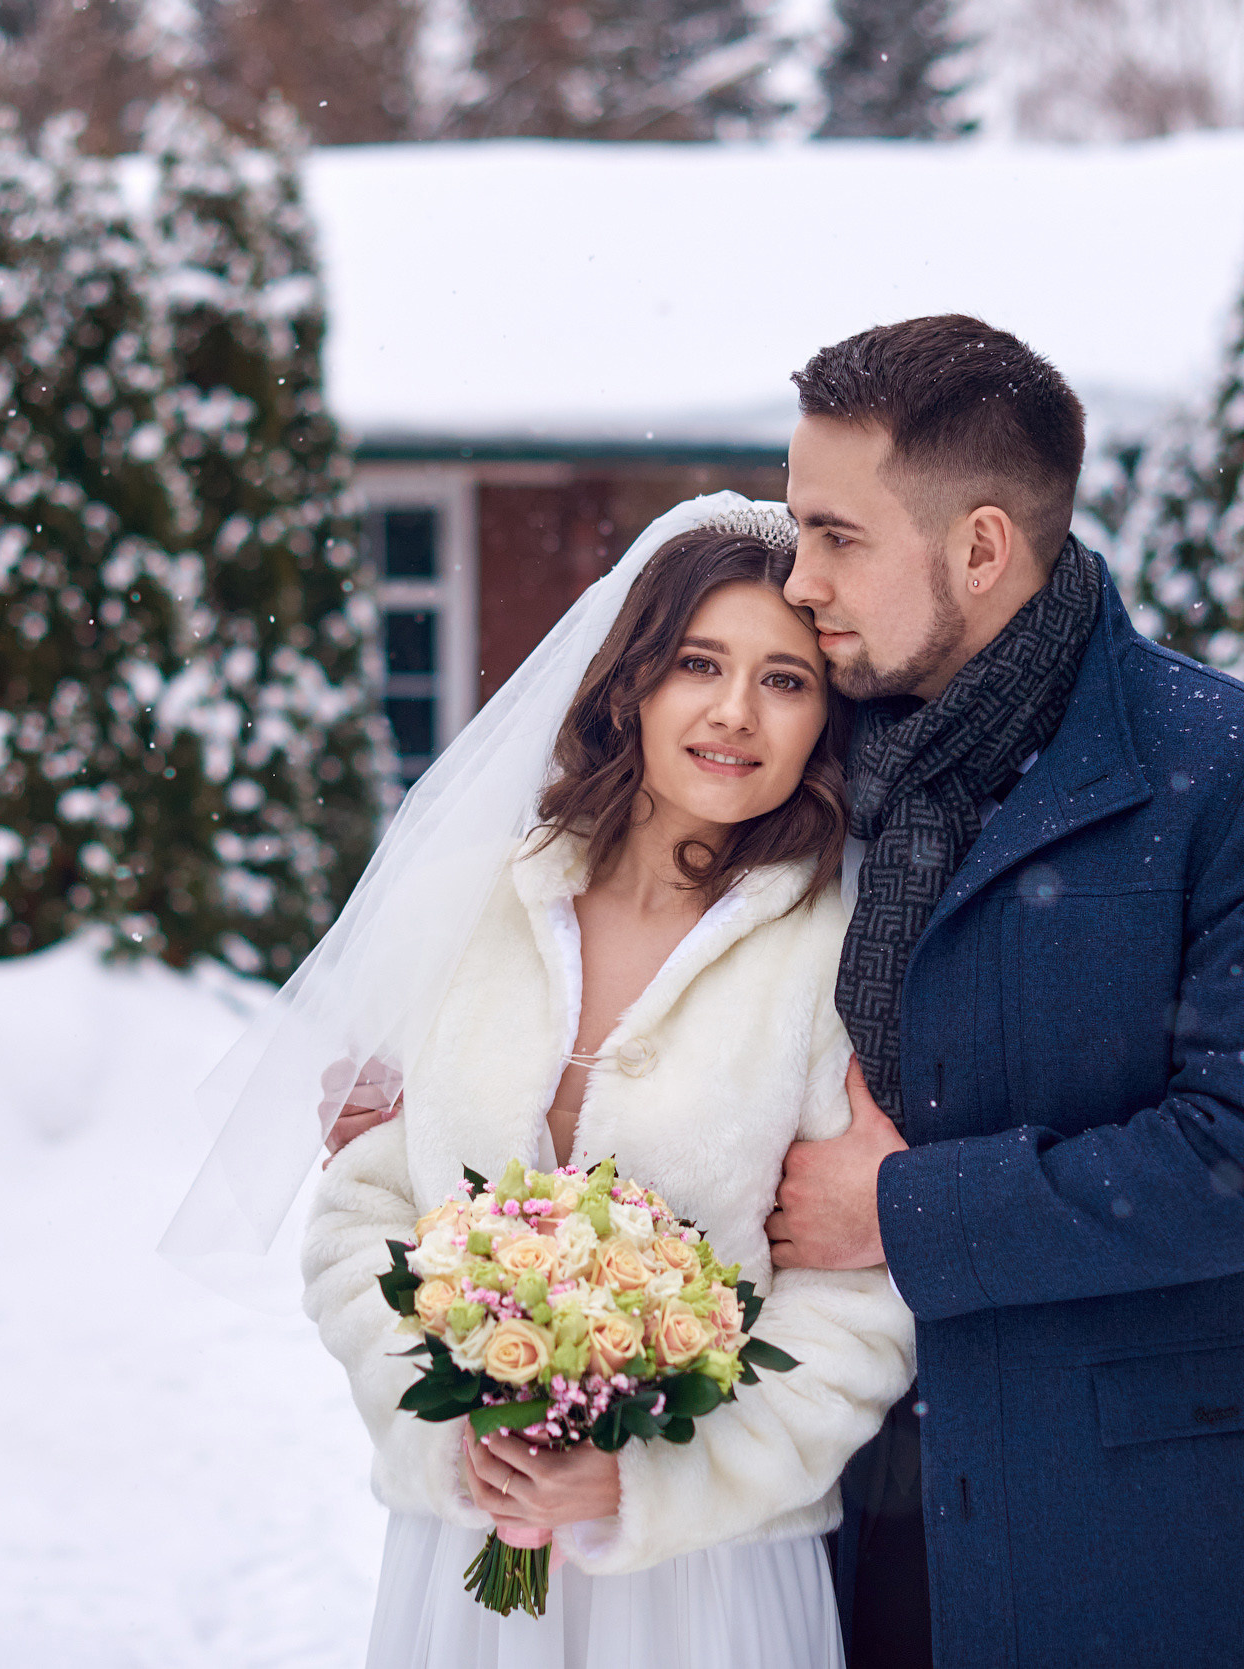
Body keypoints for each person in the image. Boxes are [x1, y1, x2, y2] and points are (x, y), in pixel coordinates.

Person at [326, 316, 1244, 1669]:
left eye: (836, 533)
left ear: (981, 547)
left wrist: (904, 1207)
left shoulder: (1237, 772)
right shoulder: (835, 727)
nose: (801, 575)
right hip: (845, 1524)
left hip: (1112, 1508)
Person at [302, 505, 917, 1669]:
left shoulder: (841, 954)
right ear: (632, 680)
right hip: (464, 1569)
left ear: (824, 716)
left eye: (784, 679)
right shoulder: (478, 900)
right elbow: (358, 1216)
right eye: (699, 663)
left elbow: (857, 1313)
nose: (734, 711)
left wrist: (645, 1478)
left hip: (709, 1584)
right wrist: (448, 1427)